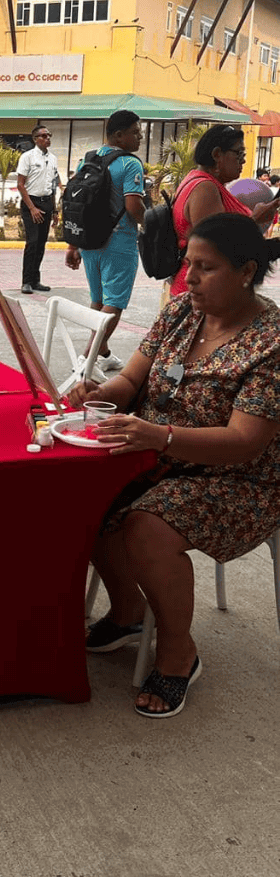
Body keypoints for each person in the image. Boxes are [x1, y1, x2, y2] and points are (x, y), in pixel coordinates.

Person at [70, 214, 280, 718]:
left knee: (147, 526)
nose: (190, 278)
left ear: (246, 271)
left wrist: (161, 436)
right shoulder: (183, 311)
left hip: (239, 479)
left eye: (206, 268)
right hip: (156, 455)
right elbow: (131, 380)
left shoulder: (271, 342)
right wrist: (101, 395)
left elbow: (244, 442)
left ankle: (178, 651)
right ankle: (128, 613)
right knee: (80, 498)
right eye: (189, 264)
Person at [64, 110, 146, 371]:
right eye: (135, 133)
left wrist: (73, 245)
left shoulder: (88, 160)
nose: (140, 138)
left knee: (98, 301)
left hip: (89, 241)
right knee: (114, 303)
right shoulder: (130, 164)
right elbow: (133, 206)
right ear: (119, 135)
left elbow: (77, 203)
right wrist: (152, 223)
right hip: (119, 243)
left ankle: (104, 354)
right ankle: (86, 360)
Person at [169, 125, 280, 297]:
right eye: (239, 154)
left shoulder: (204, 182)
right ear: (217, 155)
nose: (243, 161)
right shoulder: (205, 188)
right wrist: (254, 220)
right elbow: (216, 245)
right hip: (203, 292)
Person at [17, 125, 63, 295]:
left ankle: (35, 280)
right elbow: (20, 185)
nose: (47, 138)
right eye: (43, 136)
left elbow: (52, 185)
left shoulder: (53, 159)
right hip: (31, 202)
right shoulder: (27, 157)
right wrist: (32, 208)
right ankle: (26, 281)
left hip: (46, 203)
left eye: (49, 135)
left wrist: (55, 210)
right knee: (32, 242)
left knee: (41, 243)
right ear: (35, 139)